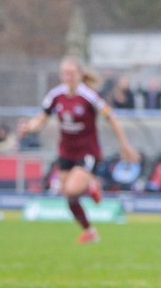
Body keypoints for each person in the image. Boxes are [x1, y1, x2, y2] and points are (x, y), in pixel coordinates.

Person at [16, 56, 139, 243]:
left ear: (80, 74)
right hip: (66, 152)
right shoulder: (55, 95)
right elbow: (42, 119)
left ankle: (91, 184)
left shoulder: (89, 96)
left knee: (72, 190)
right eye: (64, 74)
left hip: (87, 152)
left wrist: (125, 145)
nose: (68, 77)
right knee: (69, 197)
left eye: (71, 73)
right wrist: (29, 127)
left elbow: (111, 118)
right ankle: (90, 231)